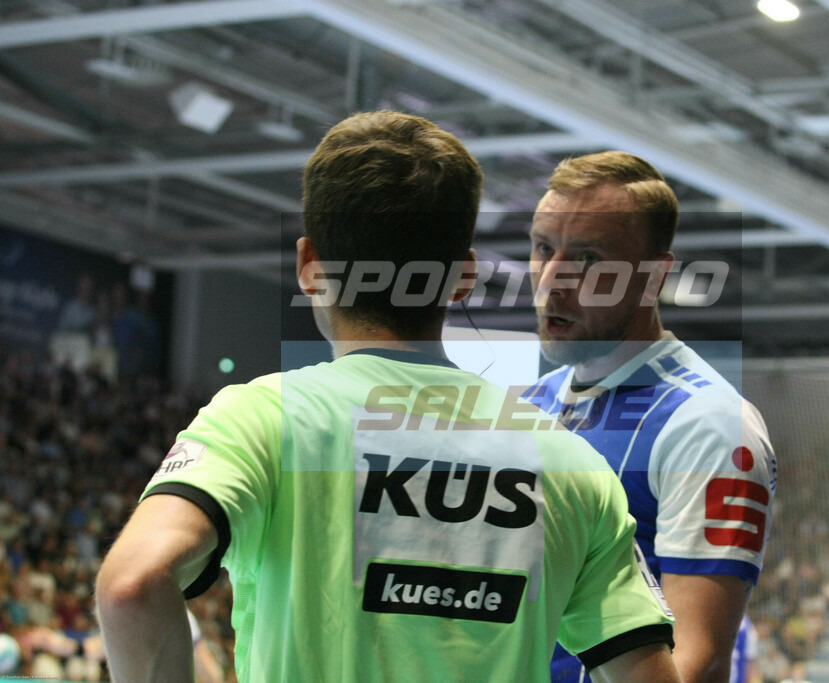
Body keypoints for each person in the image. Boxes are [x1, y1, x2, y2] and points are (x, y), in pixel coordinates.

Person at [96, 112, 681, 683]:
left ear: (309, 266)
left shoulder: (263, 419)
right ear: (463, 276)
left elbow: (132, 586)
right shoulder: (572, 463)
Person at [523, 151, 777, 683]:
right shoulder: (529, 405)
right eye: (544, 248)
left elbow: (696, 662)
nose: (551, 280)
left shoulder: (708, 424)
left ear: (653, 276)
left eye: (588, 259)